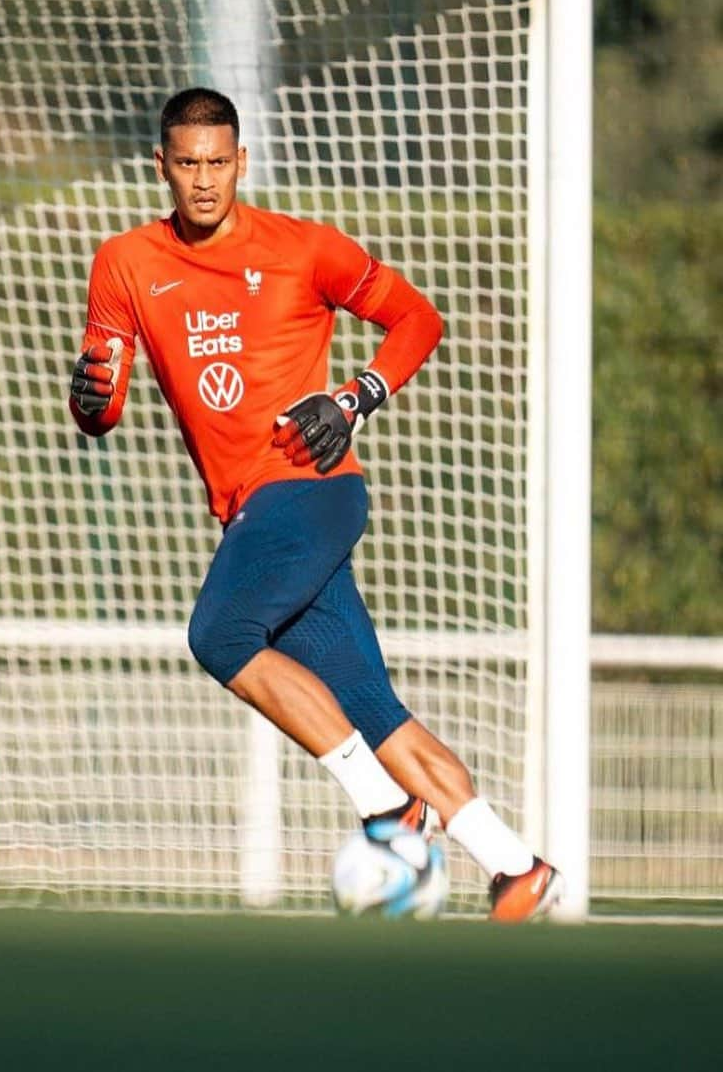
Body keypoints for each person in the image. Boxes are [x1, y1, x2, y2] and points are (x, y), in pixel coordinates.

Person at [69, 87, 563, 922]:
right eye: (187, 164)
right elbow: (98, 410)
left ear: (242, 162)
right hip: (251, 515)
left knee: (219, 634)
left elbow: (416, 317)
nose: (203, 181)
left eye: (218, 163)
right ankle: (516, 869)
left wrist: (355, 397)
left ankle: (385, 810)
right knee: (374, 709)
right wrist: (90, 393)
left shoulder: (304, 249)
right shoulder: (125, 261)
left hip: (311, 492)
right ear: (162, 166)